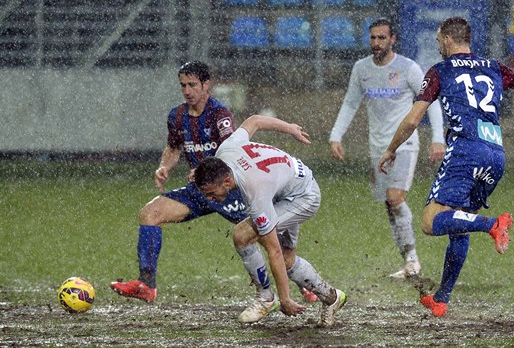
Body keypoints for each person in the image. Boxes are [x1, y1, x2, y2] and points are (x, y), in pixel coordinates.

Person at [378, 17, 514, 317]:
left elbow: (412, 120)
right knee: (459, 223)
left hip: (466, 150)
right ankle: (442, 299)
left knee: (430, 221)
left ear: (448, 39)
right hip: (496, 154)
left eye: (439, 40)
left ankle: (492, 225)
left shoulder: (440, 71)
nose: (438, 45)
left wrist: (391, 148)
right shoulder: (493, 66)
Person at [109, 61, 317, 307]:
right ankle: (146, 284)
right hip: (199, 190)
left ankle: (304, 283)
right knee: (150, 213)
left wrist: (204, 169)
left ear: (206, 85)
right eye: (183, 85)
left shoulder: (220, 115)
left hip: (228, 190)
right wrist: (164, 166)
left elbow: (229, 155)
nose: (187, 91)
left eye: (192, 85)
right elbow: (174, 148)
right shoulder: (176, 116)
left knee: (268, 241)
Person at [194, 115, 347, 326]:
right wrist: (290, 128)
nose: (209, 198)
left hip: (302, 197)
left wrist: (285, 299)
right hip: (289, 183)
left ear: (227, 181)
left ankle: (267, 298)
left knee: (242, 236)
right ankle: (332, 298)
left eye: (211, 192)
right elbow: (255, 120)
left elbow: (272, 249)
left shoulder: (254, 191)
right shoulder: (225, 151)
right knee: (287, 261)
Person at [329, 18, 446, 279]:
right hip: (377, 147)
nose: (376, 43)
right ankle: (408, 261)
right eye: (373, 38)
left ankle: (414, 260)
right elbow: (350, 103)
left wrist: (438, 137)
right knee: (389, 204)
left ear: (393, 39)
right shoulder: (361, 69)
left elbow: (432, 103)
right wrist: (336, 136)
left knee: (395, 197)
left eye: (382, 38)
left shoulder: (408, 68)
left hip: (404, 145)